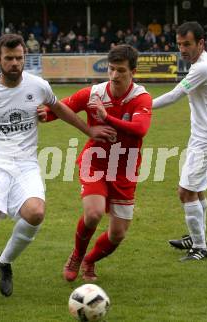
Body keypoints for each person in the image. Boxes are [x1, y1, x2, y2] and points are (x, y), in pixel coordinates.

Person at [0, 34, 115, 305]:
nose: (15, 63)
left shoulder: (38, 85)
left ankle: (4, 262)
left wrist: (88, 129)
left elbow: (60, 108)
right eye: (9, 59)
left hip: (26, 164)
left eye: (19, 58)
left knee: (35, 212)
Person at [39, 44, 153, 281]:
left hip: (125, 168)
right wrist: (44, 114)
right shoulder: (93, 94)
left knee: (118, 234)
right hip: (96, 162)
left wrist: (107, 118)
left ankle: (90, 261)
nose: (114, 75)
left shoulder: (141, 97)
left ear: (133, 72)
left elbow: (140, 129)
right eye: (111, 69)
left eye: (121, 70)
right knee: (93, 214)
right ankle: (77, 256)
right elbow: (60, 108)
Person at [152, 22, 207, 261]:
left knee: (186, 192)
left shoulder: (201, 68)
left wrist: (141, 106)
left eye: (187, 44)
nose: (182, 49)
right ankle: (196, 236)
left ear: (200, 43)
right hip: (206, 136)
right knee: (197, 188)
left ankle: (200, 247)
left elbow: (174, 95)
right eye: (179, 44)